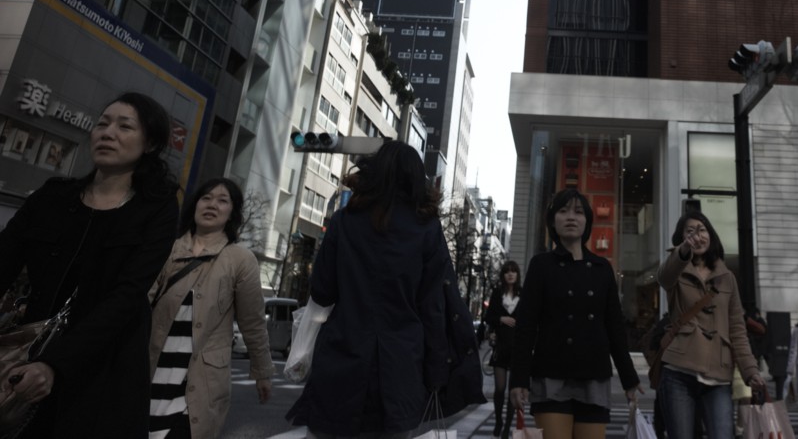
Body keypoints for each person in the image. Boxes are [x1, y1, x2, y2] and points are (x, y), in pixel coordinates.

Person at [0, 92, 179, 437]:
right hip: (28, 359)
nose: (107, 133)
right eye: (102, 123)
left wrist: (55, 366)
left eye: (124, 127)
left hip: (106, 370)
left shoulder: (156, 209)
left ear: (150, 143)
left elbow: (127, 295)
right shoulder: (53, 196)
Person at [286, 140, 484, 438]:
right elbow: (433, 306)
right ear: (417, 179)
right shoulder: (427, 229)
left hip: (343, 353)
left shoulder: (345, 220)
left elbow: (323, 290)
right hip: (401, 363)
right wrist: (436, 370)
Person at [147, 177, 274, 438]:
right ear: (194, 206)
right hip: (149, 372)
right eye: (206, 198)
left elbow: (252, 323)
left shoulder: (239, 259)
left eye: (222, 200)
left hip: (199, 384)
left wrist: (262, 372)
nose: (212, 204)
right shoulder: (167, 250)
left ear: (232, 214)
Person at [510, 189, 641, 439]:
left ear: (587, 222)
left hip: (593, 376)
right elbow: (525, 326)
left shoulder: (603, 269)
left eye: (578, 212)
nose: (571, 217)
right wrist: (519, 380)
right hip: (550, 375)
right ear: (552, 220)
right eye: (563, 211)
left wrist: (629, 379)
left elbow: (614, 328)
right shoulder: (541, 265)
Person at [655, 210, 765, 439]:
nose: (698, 235)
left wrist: (750, 370)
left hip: (719, 373)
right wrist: (682, 251)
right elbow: (664, 278)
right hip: (678, 371)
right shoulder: (676, 268)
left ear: (711, 235)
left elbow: (737, 328)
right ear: (682, 238)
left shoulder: (727, 277)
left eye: (702, 230)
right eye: (690, 231)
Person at [484, 260, 522, 437]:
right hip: (501, 346)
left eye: (513, 271)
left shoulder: (524, 294)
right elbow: (488, 316)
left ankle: (507, 426)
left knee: (513, 391)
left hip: (517, 348)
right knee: (500, 388)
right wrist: (501, 319)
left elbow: (529, 318)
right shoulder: (497, 293)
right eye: (507, 271)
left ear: (517, 274)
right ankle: (498, 420)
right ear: (503, 275)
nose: (510, 274)